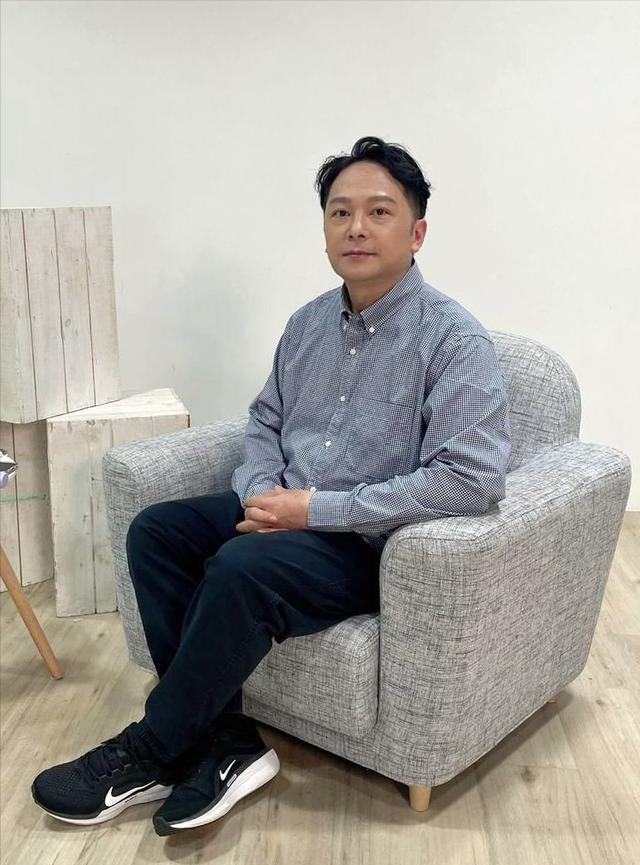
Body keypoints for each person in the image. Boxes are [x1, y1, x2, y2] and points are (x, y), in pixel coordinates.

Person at [31, 135, 511, 836]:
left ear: (417, 232)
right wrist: (261, 495)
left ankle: (151, 749)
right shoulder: (307, 324)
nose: (356, 227)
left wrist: (315, 510)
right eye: (340, 212)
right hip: (282, 509)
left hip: (367, 542)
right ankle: (224, 744)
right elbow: (264, 421)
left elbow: (470, 480)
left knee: (241, 566)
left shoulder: (454, 341)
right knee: (157, 531)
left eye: (379, 211)